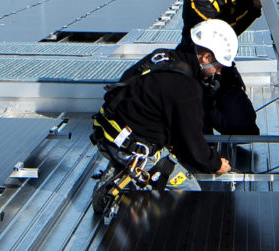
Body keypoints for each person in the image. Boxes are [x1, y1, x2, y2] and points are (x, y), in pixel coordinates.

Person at [96, 19, 240, 188]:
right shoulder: (187, 88)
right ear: (206, 57)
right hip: (133, 148)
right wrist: (215, 163)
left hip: (106, 132)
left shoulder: (162, 57)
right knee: (189, 190)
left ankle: (119, 168)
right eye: (219, 67)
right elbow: (191, 141)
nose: (218, 72)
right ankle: (119, 187)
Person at [180, 0, 268, 136]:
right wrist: (255, 4)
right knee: (199, 132)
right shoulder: (195, 1)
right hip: (197, 69)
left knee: (245, 127)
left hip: (221, 66)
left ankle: (217, 113)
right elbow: (224, 31)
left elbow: (240, 12)